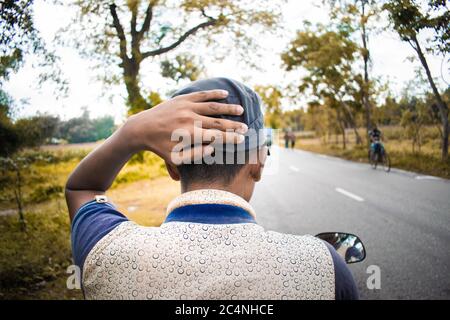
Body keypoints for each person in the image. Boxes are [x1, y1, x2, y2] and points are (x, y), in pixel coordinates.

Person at [66, 77, 358, 300]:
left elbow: (82, 188)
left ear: (172, 165)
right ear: (257, 164)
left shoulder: (107, 251)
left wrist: (132, 131)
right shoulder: (325, 269)